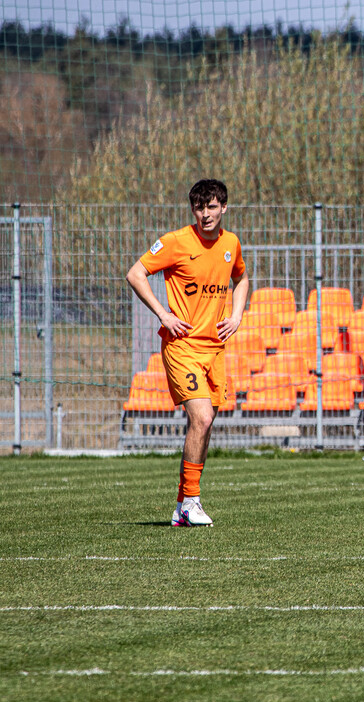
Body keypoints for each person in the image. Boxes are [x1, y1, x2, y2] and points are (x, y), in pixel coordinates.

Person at [126, 179, 249, 526]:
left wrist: (237, 315)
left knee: (205, 426)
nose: (205, 214)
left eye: (212, 207)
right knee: (203, 418)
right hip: (182, 348)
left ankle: (182, 505)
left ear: (224, 208)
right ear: (192, 209)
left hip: (215, 349)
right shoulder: (176, 242)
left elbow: (241, 278)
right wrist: (164, 314)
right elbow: (135, 274)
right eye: (199, 207)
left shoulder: (231, 244)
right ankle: (192, 501)